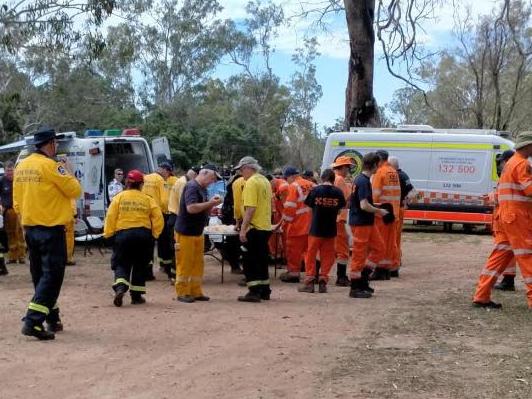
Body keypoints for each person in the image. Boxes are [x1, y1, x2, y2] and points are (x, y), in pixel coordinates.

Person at [13, 126, 82, 340]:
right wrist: (67, 169)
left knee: (40, 275)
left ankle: (52, 318)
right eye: (56, 143)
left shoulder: (22, 166)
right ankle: (33, 321)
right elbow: (75, 190)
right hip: (51, 230)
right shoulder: (51, 166)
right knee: (52, 276)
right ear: (50, 144)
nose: (57, 146)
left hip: (30, 229)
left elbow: (16, 203)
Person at [472, 131, 532, 309]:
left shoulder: (511, 163)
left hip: (506, 217)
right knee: (527, 255)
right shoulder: (522, 164)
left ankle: (481, 295)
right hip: (518, 218)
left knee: (499, 256)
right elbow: (529, 190)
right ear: (527, 146)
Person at [104, 169, 164, 307]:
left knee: (121, 262)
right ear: (141, 184)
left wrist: (108, 234)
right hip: (143, 235)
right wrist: (154, 234)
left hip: (123, 235)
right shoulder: (148, 199)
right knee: (140, 264)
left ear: (127, 182)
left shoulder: (119, 197)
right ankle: (136, 296)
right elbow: (158, 218)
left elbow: (111, 216)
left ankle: (120, 287)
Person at [174, 166, 221, 303]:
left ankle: (195, 291)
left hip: (197, 231)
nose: (212, 182)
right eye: (211, 178)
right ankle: (182, 291)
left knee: (197, 264)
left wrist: (212, 204)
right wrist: (211, 203)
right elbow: (191, 208)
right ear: (203, 173)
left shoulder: (202, 188)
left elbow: (202, 207)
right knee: (185, 263)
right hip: (185, 232)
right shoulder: (192, 187)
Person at [298, 169, 346, 293]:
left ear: (322, 178)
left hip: (315, 229)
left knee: (311, 254)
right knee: (328, 256)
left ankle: (309, 282)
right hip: (331, 229)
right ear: (333, 179)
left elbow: (308, 207)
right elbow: (341, 210)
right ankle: (323, 281)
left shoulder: (315, 191)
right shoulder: (338, 192)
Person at [348, 152, 389, 299]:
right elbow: (363, 205)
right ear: (374, 165)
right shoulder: (363, 181)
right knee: (359, 254)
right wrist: (380, 211)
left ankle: (363, 278)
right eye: (378, 164)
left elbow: (364, 203)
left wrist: (377, 207)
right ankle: (355, 286)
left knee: (379, 248)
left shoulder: (362, 180)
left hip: (366, 222)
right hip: (361, 222)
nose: (380, 167)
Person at [233, 156, 273, 303]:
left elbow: (250, 209)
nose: (241, 173)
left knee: (250, 260)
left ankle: (254, 291)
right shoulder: (264, 180)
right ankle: (265, 290)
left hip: (254, 228)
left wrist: (243, 229)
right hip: (265, 227)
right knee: (262, 260)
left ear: (248, 168)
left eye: (242, 170)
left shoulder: (250, 183)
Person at [279, 166, 315, 283]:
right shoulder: (312, 185)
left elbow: (289, 207)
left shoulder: (293, 186)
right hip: (313, 225)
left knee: (293, 250)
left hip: (297, 225)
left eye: (286, 178)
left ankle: (294, 273)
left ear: (291, 177)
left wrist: (284, 223)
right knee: (309, 251)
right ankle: (311, 274)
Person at [371, 150, 401, 280]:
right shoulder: (393, 171)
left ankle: (380, 269)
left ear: (378, 160)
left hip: (382, 213)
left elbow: (375, 194)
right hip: (393, 212)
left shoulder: (380, 172)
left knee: (380, 242)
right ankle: (388, 268)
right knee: (390, 243)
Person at [167, 167, 200, 280]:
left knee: (177, 248)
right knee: (178, 248)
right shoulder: (184, 183)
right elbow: (186, 204)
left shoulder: (183, 181)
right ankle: (174, 275)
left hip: (176, 216)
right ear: (195, 175)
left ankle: (174, 274)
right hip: (177, 217)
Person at [493, 150, 518, 291]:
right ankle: (508, 280)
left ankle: (508, 280)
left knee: (506, 252)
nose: (501, 164)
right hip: (506, 220)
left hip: (508, 220)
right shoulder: (508, 175)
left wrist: (493, 197)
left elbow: (501, 198)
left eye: (502, 161)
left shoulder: (510, 175)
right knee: (509, 252)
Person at [388, 156, 415, 274]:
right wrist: (406, 201)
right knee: (396, 238)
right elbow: (413, 192)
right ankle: (396, 260)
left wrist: (405, 201)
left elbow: (414, 193)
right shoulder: (403, 175)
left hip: (395, 210)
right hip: (398, 209)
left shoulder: (398, 176)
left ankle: (394, 261)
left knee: (392, 238)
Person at [142, 163, 169, 280]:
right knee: (163, 241)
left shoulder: (145, 178)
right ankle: (167, 269)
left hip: (143, 214)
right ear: (162, 170)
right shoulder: (161, 180)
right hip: (156, 214)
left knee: (148, 244)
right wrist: (165, 212)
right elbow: (164, 200)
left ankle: (147, 272)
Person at [332, 156, 355, 286]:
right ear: (343, 167)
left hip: (333, 218)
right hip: (339, 219)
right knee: (343, 250)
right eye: (348, 167)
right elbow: (345, 200)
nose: (348, 170)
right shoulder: (340, 179)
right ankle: (341, 277)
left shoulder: (334, 178)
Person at [0, 161, 26, 264]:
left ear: (14, 171)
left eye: (11, 170)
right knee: (10, 234)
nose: (9, 173)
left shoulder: (19, 180)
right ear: (5, 171)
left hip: (19, 211)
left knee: (19, 233)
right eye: (7, 170)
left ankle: (22, 256)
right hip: (8, 211)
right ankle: (12, 257)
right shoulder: (2, 181)